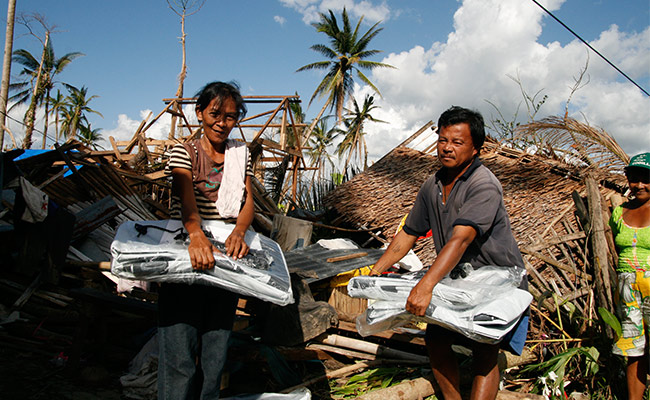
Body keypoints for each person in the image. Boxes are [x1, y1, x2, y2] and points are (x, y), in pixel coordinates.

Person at [369, 106, 528, 400]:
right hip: (461, 281)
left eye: (457, 142)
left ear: (476, 148)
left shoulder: (484, 185)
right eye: (443, 140)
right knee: (437, 340)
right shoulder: (432, 185)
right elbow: (408, 233)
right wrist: (375, 273)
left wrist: (425, 285)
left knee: (484, 350)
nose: (447, 148)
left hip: (498, 281)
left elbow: (461, 239)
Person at [158, 81, 254, 399]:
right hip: (187, 253)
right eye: (215, 113)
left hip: (224, 260)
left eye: (230, 116)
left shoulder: (241, 155)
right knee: (179, 355)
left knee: (214, 357)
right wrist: (196, 236)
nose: (222, 122)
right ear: (199, 113)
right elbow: (186, 200)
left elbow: (247, 203)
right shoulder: (183, 152)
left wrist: (239, 232)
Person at [609, 152, 650, 400]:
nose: (640, 185)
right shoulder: (619, 213)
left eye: (646, 179)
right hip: (627, 288)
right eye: (635, 178)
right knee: (633, 349)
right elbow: (616, 249)